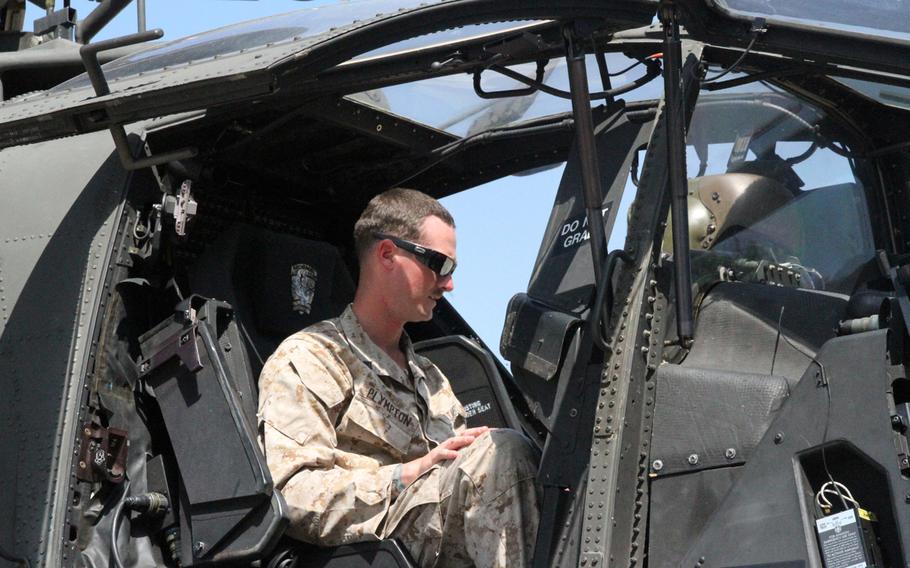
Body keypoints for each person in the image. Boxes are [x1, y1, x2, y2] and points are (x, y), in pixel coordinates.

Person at [257, 188, 540, 568]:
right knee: (502, 455)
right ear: (388, 254)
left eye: (452, 269)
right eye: (439, 264)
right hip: (370, 551)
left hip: (443, 548)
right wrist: (403, 476)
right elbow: (293, 495)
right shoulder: (312, 358)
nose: (448, 283)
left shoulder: (433, 380)